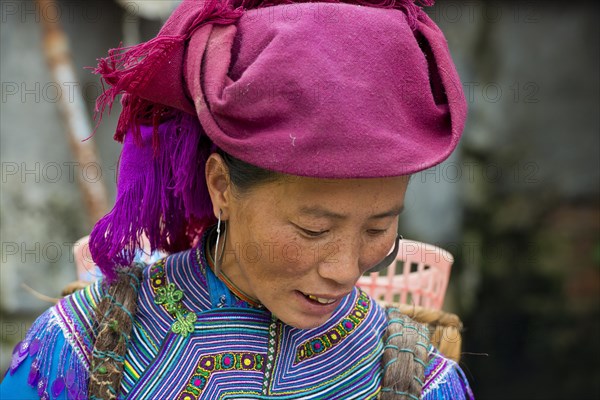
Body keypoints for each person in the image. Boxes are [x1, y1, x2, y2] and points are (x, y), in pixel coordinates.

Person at [1, 0, 474, 398]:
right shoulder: (84, 346)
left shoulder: (418, 380)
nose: (346, 269)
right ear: (222, 187)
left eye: (377, 229)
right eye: (314, 229)